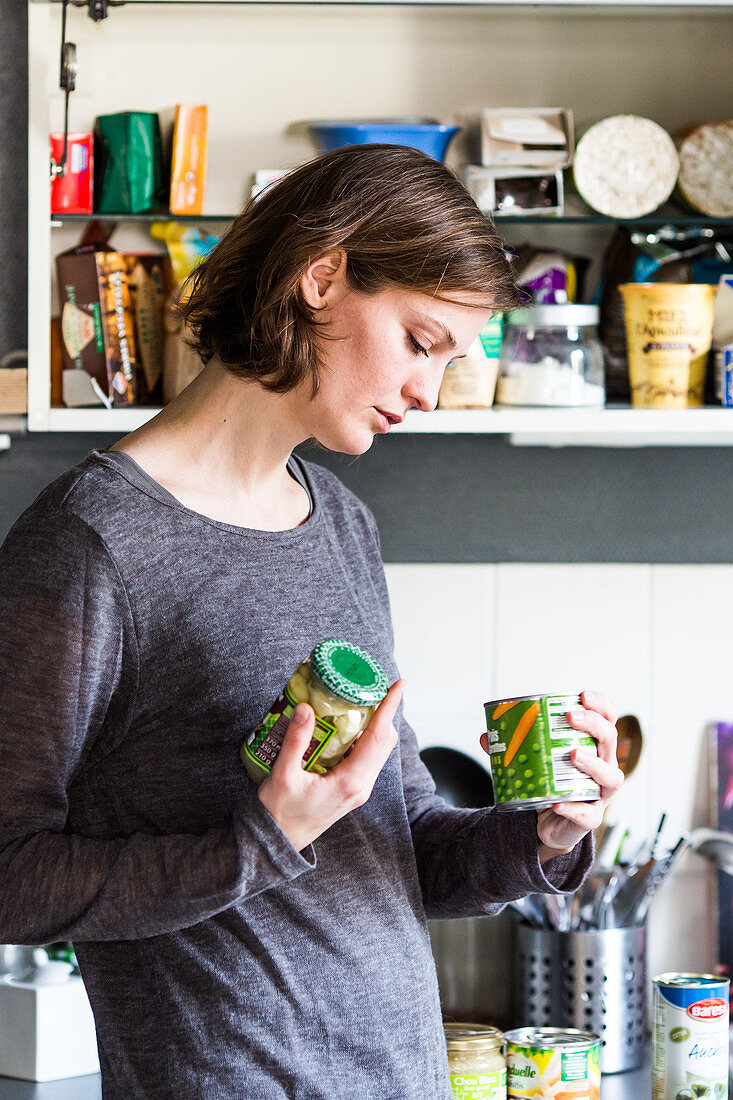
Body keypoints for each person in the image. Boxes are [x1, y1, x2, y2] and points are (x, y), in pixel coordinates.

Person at [0, 145, 622, 1099]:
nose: (429, 393)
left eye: (452, 363)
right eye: (420, 343)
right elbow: (10, 875)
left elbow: (401, 846)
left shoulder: (337, 521)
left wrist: (544, 837)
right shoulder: (91, 542)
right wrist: (256, 842)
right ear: (321, 275)